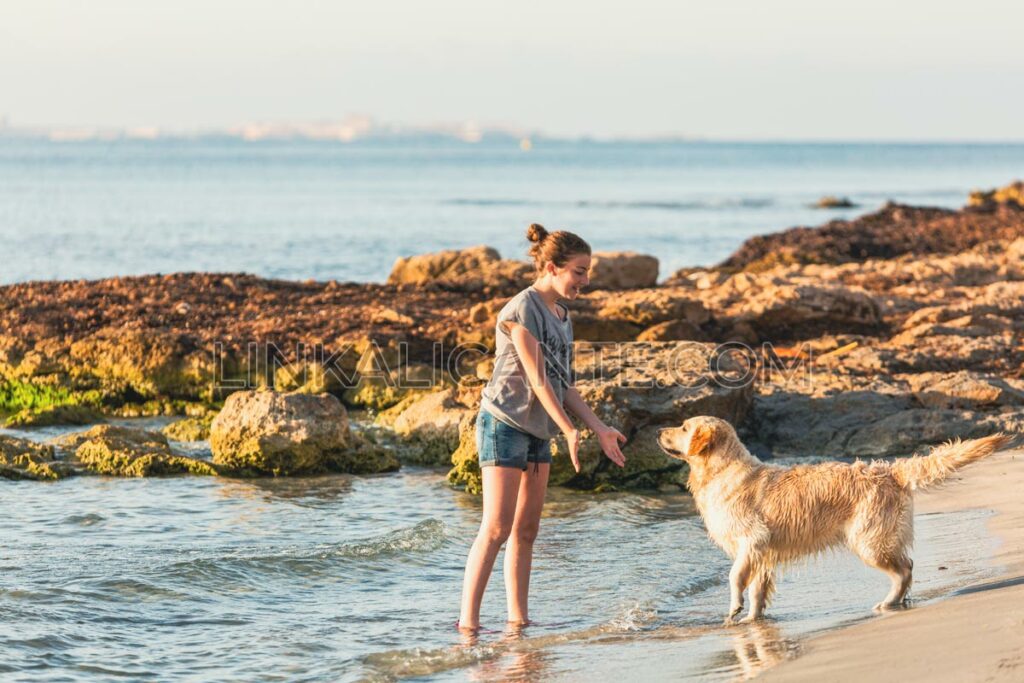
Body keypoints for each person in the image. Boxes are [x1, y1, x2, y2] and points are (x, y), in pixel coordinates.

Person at [458, 223, 628, 632]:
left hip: (538, 428)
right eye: (580, 271)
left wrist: (598, 427)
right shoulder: (522, 309)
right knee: (496, 528)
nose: (586, 281)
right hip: (504, 421)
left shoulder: (562, 316)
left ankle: (517, 621)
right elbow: (535, 378)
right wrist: (569, 431)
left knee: (527, 530)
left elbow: (562, 384)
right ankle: (468, 626)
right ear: (552, 267)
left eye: (588, 272)